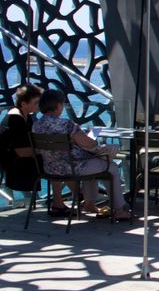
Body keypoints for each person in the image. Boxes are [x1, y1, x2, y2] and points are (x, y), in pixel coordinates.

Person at [32, 89, 131, 221]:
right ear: (58, 105)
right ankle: (119, 209)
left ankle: (89, 204)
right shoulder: (66, 124)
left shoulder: (36, 126)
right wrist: (94, 141)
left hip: (50, 169)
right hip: (73, 168)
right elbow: (88, 144)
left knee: (93, 163)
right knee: (111, 167)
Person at [0, 85, 52, 211]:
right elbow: (22, 151)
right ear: (23, 103)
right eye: (36, 103)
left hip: (14, 159)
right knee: (56, 163)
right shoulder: (16, 119)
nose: (38, 105)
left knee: (55, 162)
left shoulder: (25, 116)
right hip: (12, 163)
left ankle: (66, 198)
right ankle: (72, 197)